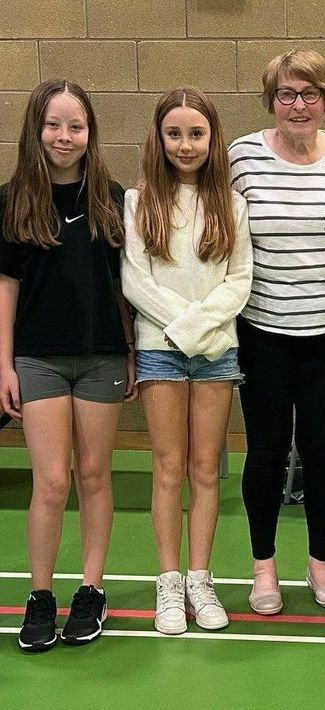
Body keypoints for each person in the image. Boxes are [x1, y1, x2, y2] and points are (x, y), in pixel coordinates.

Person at [229, 49, 325, 615]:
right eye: (287, 94)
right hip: (262, 331)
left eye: (309, 93)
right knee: (266, 453)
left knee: (322, 452)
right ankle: (263, 569)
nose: (298, 105)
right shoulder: (241, 156)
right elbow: (211, 224)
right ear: (272, 101)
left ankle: (321, 562)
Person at [0, 79, 136, 652]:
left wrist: (131, 351)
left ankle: (91, 589)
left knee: (93, 475)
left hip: (101, 356)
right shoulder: (12, 201)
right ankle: (40, 596)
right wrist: (4, 365)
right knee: (51, 482)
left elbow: (125, 287)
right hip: (38, 359)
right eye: (53, 125)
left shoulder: (111, 197)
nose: (64, 136)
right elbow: (5, 289)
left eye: (75, 126)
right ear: (36, 130)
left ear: (90, 132)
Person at [121, 88, 252, 634]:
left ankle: (201, 577)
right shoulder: (138, 199)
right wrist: (185, 329)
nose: (185, 143)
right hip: (160, 352)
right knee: (169, 468)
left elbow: (239, 280)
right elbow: (135, 280)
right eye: (174, 133)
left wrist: (198, 331)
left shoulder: (232, 203)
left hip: (216, 354)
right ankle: (169, 582)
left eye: (195, 133)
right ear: (159, 137)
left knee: (205, 470)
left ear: (212, 138)